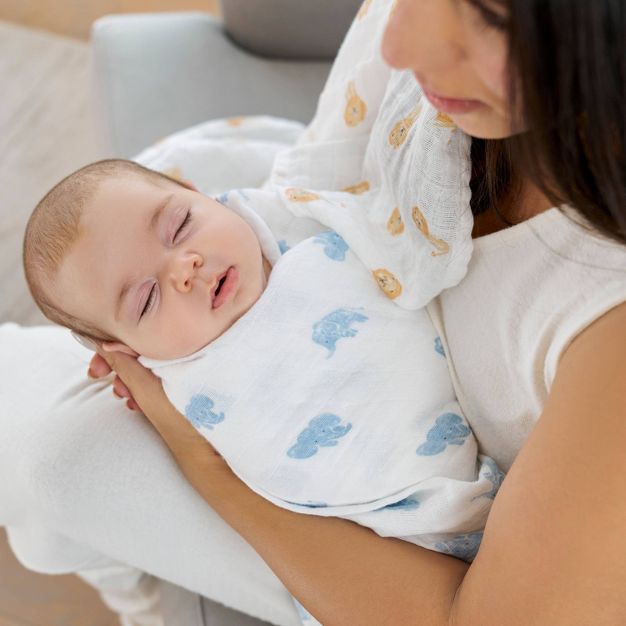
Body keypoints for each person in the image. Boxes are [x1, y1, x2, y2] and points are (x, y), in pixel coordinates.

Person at [2, 0, 625, 624]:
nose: (396, 44)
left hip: (396, 541)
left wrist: (204, 463)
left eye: (489, 16)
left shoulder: (603, 324)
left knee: (47, 456)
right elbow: (317, 180)